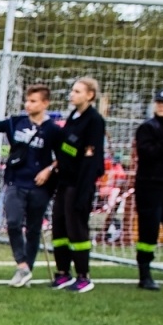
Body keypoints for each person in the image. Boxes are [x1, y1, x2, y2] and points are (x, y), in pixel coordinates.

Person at [0, 85, 59, 288]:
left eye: (34, 101)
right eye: (27, 100)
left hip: (39, 186)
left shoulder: (53, 129)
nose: (28, 104)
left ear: (45, 103)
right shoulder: (16, 122)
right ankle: (22, 263)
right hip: (15, 181)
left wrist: (49, 170)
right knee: (14, 222)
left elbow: (64, 156)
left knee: (34, 229)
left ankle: (27, 269)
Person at [49, 77, 107, 293]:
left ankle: (83, 275)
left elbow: (91, 158)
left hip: (79, 183)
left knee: (77, 229)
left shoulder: (94, 120)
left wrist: (83, 191)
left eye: (77, 91)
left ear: (89, 95)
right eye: (72, 90)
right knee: (59, 226)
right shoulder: (73, 117)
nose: (72, 95)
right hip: (64, 181)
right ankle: (63, 272)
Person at [133, 87, 163, 292]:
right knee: (149, 230)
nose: (161, 106)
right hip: (150, 186)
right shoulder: (147, 128)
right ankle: (145, 275)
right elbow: (148, 154)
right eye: (159, 103)